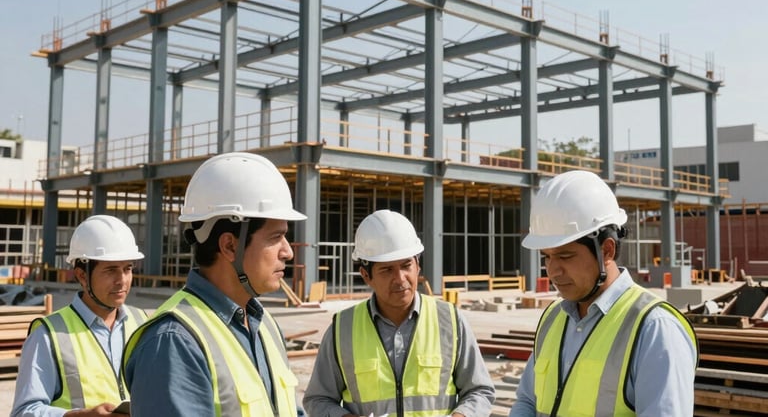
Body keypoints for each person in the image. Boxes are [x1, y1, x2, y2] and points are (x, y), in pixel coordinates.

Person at [123, 152, 307, 416]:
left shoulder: (264, 324)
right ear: (230, 246)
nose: (287, 252)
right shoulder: (174, 342)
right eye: (275, 237)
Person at [509, 170, 698, 417]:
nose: (553, 270)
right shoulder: (553, 318)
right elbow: (527, 401)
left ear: (607, 251)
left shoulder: (654, 329)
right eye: (546, 257)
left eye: (565, 256)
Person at [304, 209, 495, 417]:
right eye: (387, 270)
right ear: (366, 276)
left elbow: (480, 390)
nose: (400, 278)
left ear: (418, 267)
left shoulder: (449, 321)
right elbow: (318, 399)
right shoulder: (343, 329)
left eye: (406, 266)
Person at [11, 215, 148, 417]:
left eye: (127, 269)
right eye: (111, 270)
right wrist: (80, 416)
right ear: (82, 275)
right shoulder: (49, 335)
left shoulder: (143, 323)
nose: (122, 280)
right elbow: (24, 412)